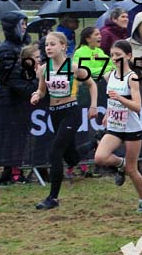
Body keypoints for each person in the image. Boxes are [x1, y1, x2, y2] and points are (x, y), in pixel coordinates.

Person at [30, 32, 98, 210]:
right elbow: (42, 91)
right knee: (71, 157)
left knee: (55, 152)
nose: (48, 48)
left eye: (52, 44)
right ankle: (96, 142)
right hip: (55, 113)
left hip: (71, 112)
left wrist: (93, 106)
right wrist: (37, 95)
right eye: (46, 45)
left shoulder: (73, 67)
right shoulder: (44, 69)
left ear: (63, 46)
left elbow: (92, 84)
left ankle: (53, 198)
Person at [94, 40, 142, 212]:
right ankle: (120, 163)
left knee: (132, 170)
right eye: (112, 55)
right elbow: (110, 100)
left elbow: (137, 107)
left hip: (131, 128)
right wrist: (108, 113)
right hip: (115, 126)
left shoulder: (132, 78)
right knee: (100, 157)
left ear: (128, 56)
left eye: (118, 55)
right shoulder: (109, 76)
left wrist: (120, 98)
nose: (114, 58)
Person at [0, 11, 28, 84]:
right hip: (10, 89)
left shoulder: (21, 45)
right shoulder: (5, 50)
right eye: (22, 24)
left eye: (25, 24)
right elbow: (13, 78)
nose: (25, 27)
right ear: (13, 27)